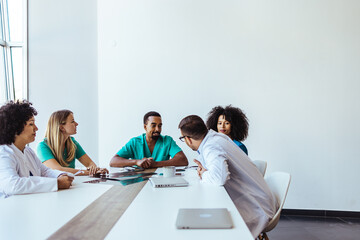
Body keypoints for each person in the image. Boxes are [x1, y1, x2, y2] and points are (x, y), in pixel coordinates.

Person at [178, 115, 277, 238]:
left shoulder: (211, 146)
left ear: (187, 139)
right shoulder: (217, 138)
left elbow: (219, 178)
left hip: (257, 208)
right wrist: (205, 171)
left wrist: (204, 173)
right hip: (261, 198)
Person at [0, 100, 73, 198]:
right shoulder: (4, 153)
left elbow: (45, 171)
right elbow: (12, 185)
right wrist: (56, 183)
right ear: (15, 127)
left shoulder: (28, 151)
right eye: (31, 124)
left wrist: (61, 176)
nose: (36, 128)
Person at [37, 110, 108, 176]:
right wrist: (89, 172)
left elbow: (90, 163)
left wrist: (95, 169)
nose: (76, 124)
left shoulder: (72, 143)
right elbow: (58, 170)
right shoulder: (42, 146)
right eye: (72, 121)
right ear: (61, 127)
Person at [110, 111, 188, 168]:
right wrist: (136, 162)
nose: (157, 129)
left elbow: (183, 160)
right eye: (153, 126)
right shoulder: (135, 142)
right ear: (145, 127)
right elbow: (113, 161)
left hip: (161, 181)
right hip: (138, 181)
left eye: (160, 126)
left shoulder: (167, 141)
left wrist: (156, 164)